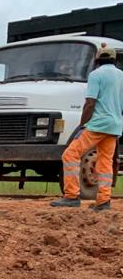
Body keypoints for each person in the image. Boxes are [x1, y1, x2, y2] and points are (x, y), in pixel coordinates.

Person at [51, 43, 123, 210]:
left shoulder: (96, 75)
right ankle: (104, 201)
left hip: (98, 124)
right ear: (114, 59)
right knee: (105, 162)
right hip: (115, 125)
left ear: (97, 59)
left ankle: (71, 196)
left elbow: (90, 102)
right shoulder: (121, 75)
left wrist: (83, 124)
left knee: (70, 155)